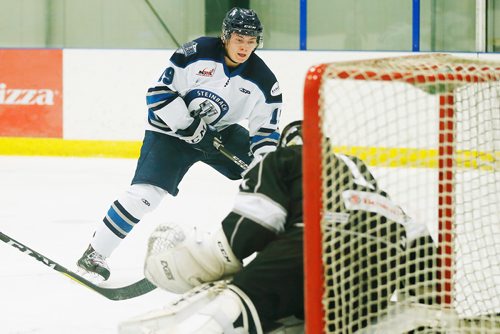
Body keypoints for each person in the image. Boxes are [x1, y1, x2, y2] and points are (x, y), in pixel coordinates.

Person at [119, 121, 436, 334]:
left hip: (317, 245)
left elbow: (258, 221)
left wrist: (216, 257)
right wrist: (427, 301)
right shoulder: (359, 171)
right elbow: (416, 233)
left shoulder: (283, 158)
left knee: (237, 308)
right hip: (386, 266)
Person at [76, 7, 282, 281]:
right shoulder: (196, 52)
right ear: (225, 36)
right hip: (169, 134)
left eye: (250, 40)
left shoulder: (264, 81)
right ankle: (94, 253)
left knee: (267, 180)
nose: (244, 47)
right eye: (239, 39)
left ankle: (276, 257)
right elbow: (158, 94)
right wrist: (188, 126)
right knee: (145, 196)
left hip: (218, 134)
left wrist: (264, 170)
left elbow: (266, 134)